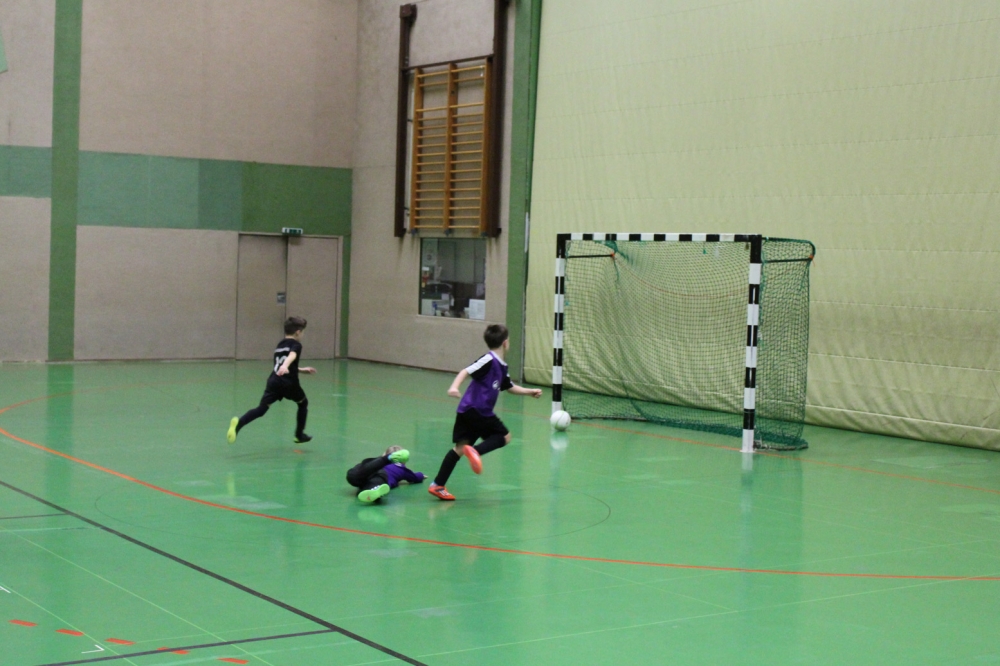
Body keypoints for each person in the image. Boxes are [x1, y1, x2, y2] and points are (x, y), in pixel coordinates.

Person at [428, 324, 542, 501]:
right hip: (478, 410)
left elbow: (509, 387)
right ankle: (476, 451)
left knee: (460, 449)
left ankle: (437, 484)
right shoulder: (488, 360)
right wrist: (454, 387)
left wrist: (529, 391)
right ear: (505, 343)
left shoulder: (502, 366)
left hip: (467, 411)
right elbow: (466, 371)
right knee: (505, 436)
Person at [227, 316, 316, 444]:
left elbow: (281, 363)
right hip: (288, 383)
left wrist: (300, 370)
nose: (303, 335)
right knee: (303, 403)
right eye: (303, 332)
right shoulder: (296, 345)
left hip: (274, 380)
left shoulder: (280, 345)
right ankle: (299, 435)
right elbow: (292, 355)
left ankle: (238, 424)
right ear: (298, 332)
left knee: (261, 409)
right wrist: (285, 366)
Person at [346, 446, 425, 503]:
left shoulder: (378, 463)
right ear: (403, 461)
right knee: (376, 482)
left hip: (367, 471)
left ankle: (386, 458)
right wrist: (421, 475)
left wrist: (382, 459)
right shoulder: (401, 468)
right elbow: (415, 477)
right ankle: (374, 490)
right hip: (380, 477)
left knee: (358, 472)